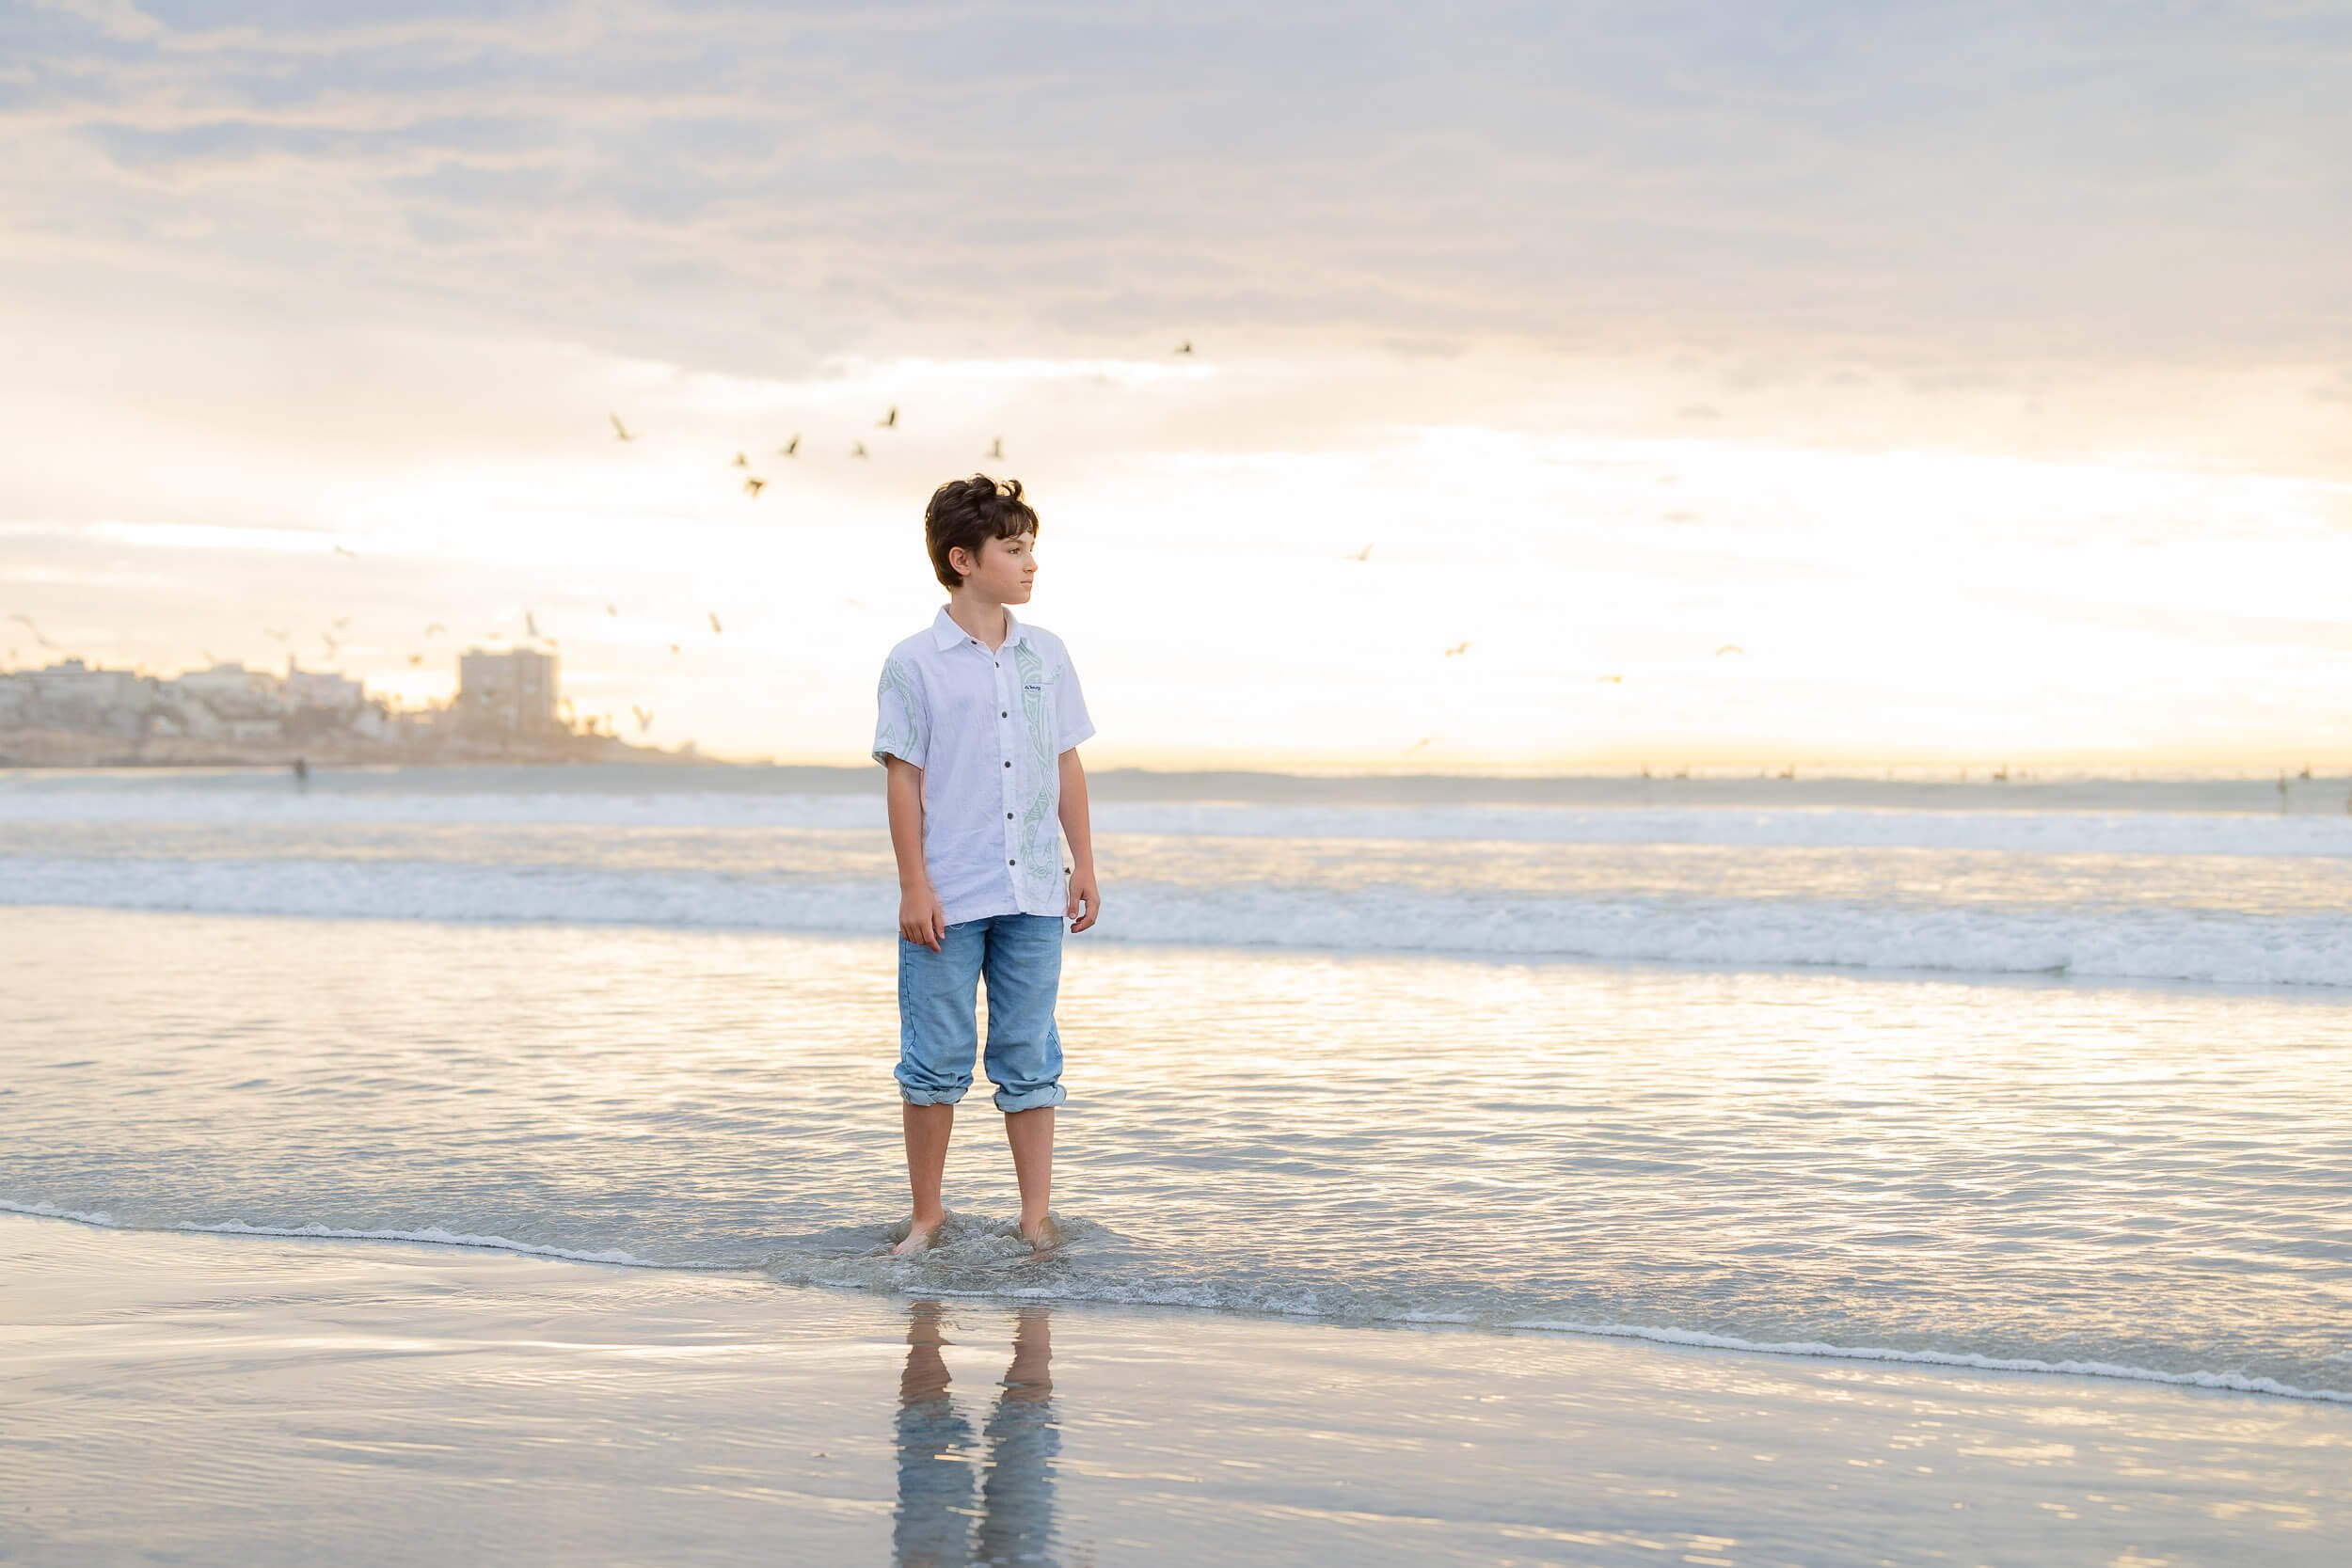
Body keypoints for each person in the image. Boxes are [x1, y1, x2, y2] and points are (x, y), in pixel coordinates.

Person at [872, 473, 1100, 1258]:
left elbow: (1065, 762)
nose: (1031, 562)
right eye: (1014, 548)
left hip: (1035, 887)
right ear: (964, 559)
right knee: (933, 1060)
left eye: (1031, 546)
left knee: (1030, 1055)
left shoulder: (1049, 654)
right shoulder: (915, 662)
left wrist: (1084, 863)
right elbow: (904, 776)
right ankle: (926, 1217)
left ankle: (1035, 1219)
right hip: (949, 890)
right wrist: (914, 884)